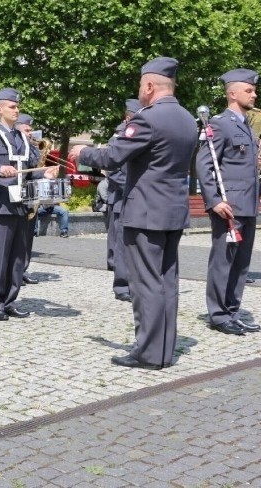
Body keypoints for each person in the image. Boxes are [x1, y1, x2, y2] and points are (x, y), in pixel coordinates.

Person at [70, 57, 198, 370]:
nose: (139, 92)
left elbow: (113, 157)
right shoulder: (187, 119)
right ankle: (164, 349)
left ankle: (149, 353)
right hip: (172, 211)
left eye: (141, 86)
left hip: (145, 214)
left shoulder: (146, 119)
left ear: (150, 86)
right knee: (167, 281)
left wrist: (81, 152)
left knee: (145, 284)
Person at [0, 88, 57, 321]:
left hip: (21, 205)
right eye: (12, 107)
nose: (16, 110)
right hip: (0, 205)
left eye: (17, 107)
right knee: (0, 258)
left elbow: (31, 172)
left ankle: (10, 301)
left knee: (18, 257)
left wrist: (44, 174)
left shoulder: (22, 139)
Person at [195, 68, 261, 336]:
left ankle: (233, 312)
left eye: (253, 90)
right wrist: (214, 201)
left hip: (248, 204)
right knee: (223, 261)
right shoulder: (220, 123)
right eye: (249, 90)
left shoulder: (246, 125)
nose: (254, 94)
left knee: (241, 263)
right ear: (232, 93)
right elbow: (204, 164)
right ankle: (218, 314)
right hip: (229, 207)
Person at [104, 99, 140, 302]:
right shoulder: (118, 139)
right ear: (128, 117)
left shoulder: (137, 137)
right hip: (122, 197)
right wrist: (132, 187)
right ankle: (122, 285)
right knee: (121, 243)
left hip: (137, 198)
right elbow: (113, 171)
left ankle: (133, 282)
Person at [14, 113, 41, 285]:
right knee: (19, 237)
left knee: (28, 236)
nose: (30, 131)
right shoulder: (15, 145)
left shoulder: (32, 146)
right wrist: (42, 172)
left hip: (31, 194)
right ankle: (15, 272)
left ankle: (23, 269)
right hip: (18, 194)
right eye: (27, 128)